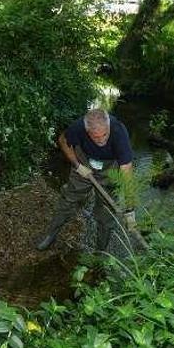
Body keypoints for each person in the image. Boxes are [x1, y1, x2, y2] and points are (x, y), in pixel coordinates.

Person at [36, 108, 134, 252]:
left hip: (110, 168)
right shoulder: (78, 127)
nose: (101, 140)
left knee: (106, 212)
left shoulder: (119, 131)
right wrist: (77, 165)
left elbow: (126, 171)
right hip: (84, 160)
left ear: (108, 127)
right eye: (96, 137)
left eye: (105, 135)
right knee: (69, 200)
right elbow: (63, 140)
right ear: (87, 132)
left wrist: (130, 208)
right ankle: (51, 235)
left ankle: (100, 251)